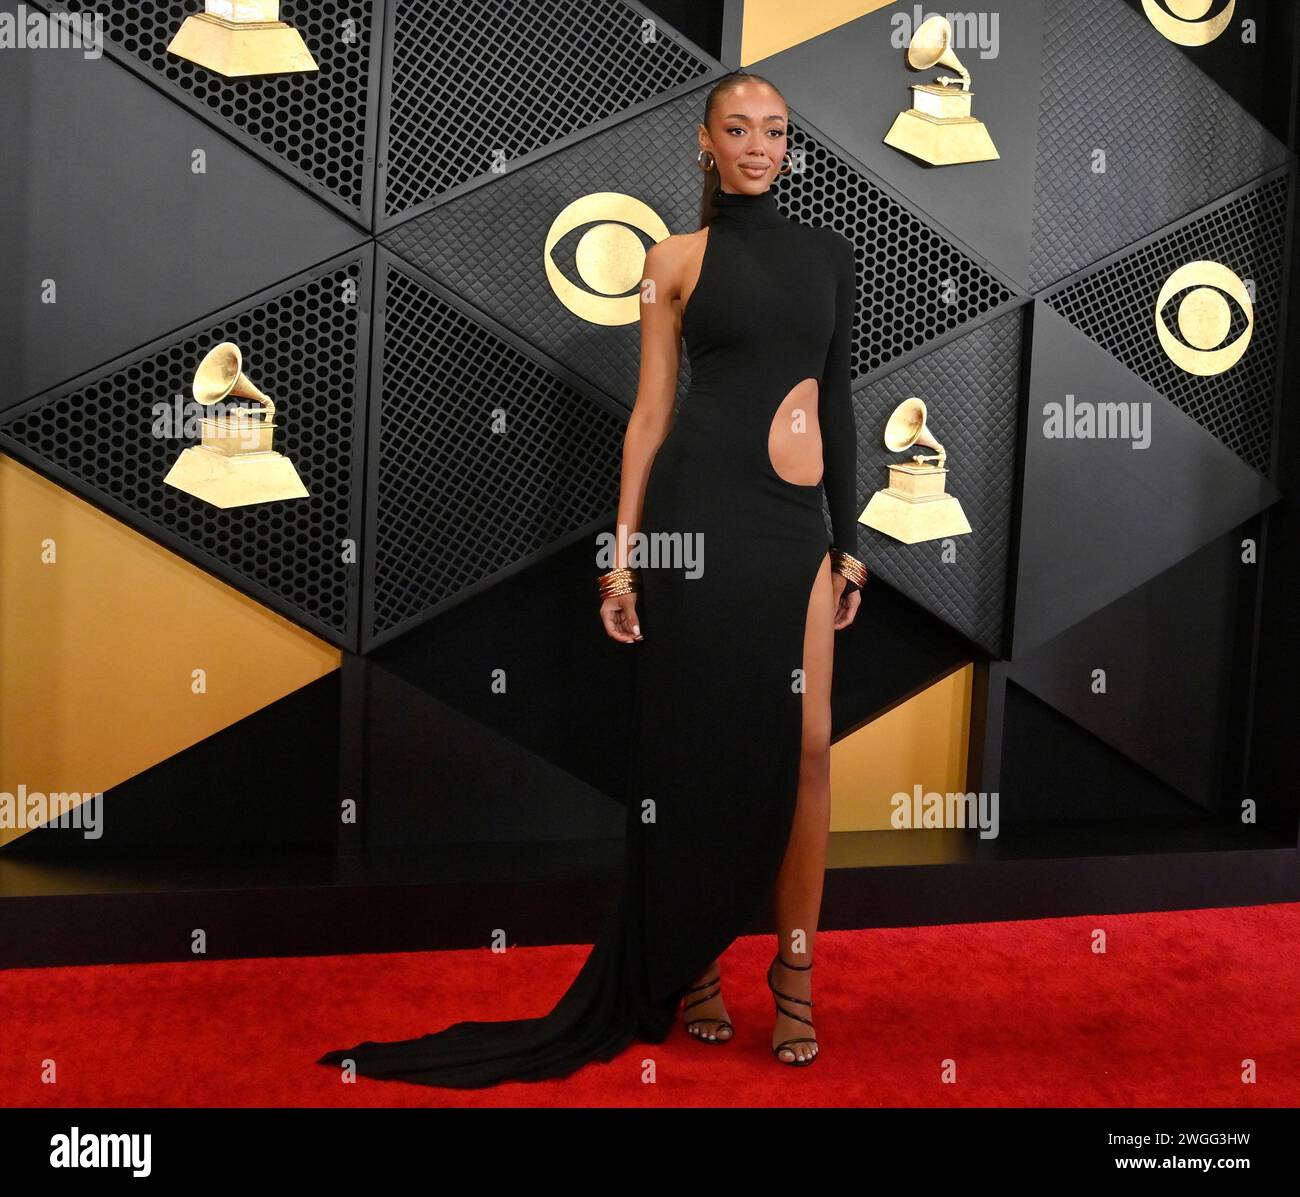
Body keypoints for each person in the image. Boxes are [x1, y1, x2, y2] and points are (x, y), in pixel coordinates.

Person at [316, 70, 866, 1088]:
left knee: (808, 746)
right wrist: (621, 559)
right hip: (698, 516)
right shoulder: (672, 260)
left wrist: (852, 542)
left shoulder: (830, 257)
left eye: (776, 131)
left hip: (795, 531)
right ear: (705, 142)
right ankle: (691, 966)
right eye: (738, 129)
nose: (759, 145)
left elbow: (839, 407)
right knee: (696, 750)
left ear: (791, 145)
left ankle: (795, 978)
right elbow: (651, 415)